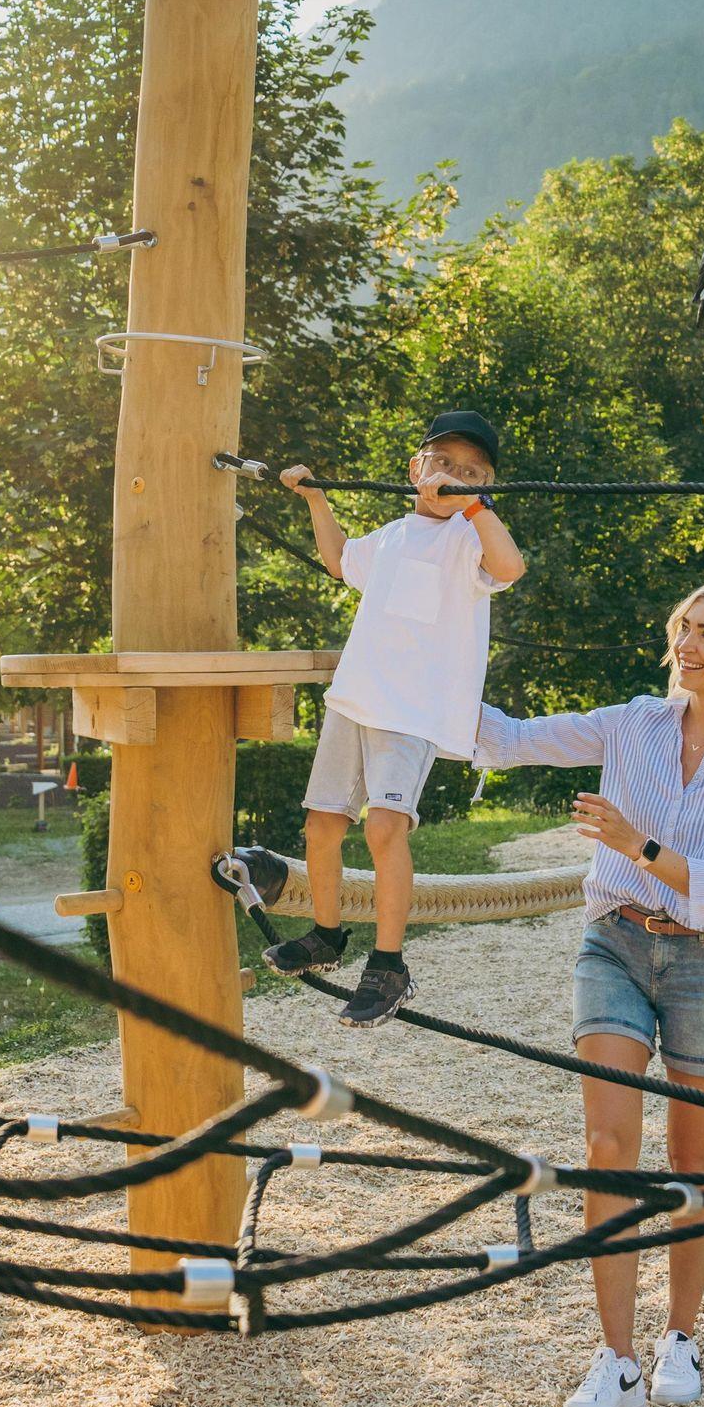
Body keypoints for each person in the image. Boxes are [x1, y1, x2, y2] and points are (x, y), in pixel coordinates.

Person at [470, 579, 704, 1407]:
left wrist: (637, 843)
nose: (688, 645)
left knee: (695, 1164)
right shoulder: (633, 723)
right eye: (684, 628)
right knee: (607, 1145)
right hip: (614, 944)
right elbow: (506, 739)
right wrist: (420, 656)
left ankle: (678, 1336)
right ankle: (615, 1359)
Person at [262, 412, 526, 1024]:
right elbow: (339, 561)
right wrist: (316, 500)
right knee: (322, 824)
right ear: (415, 469)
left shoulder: (470, 538)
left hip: (412, 713)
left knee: (384, 828)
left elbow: (510, 567)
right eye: (444, 464)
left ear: (486, 488)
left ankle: (388, 964)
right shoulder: (390, 535)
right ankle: (327, 935)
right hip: (355, 699)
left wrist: (474, 507)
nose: (454, 476)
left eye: (473, 473)